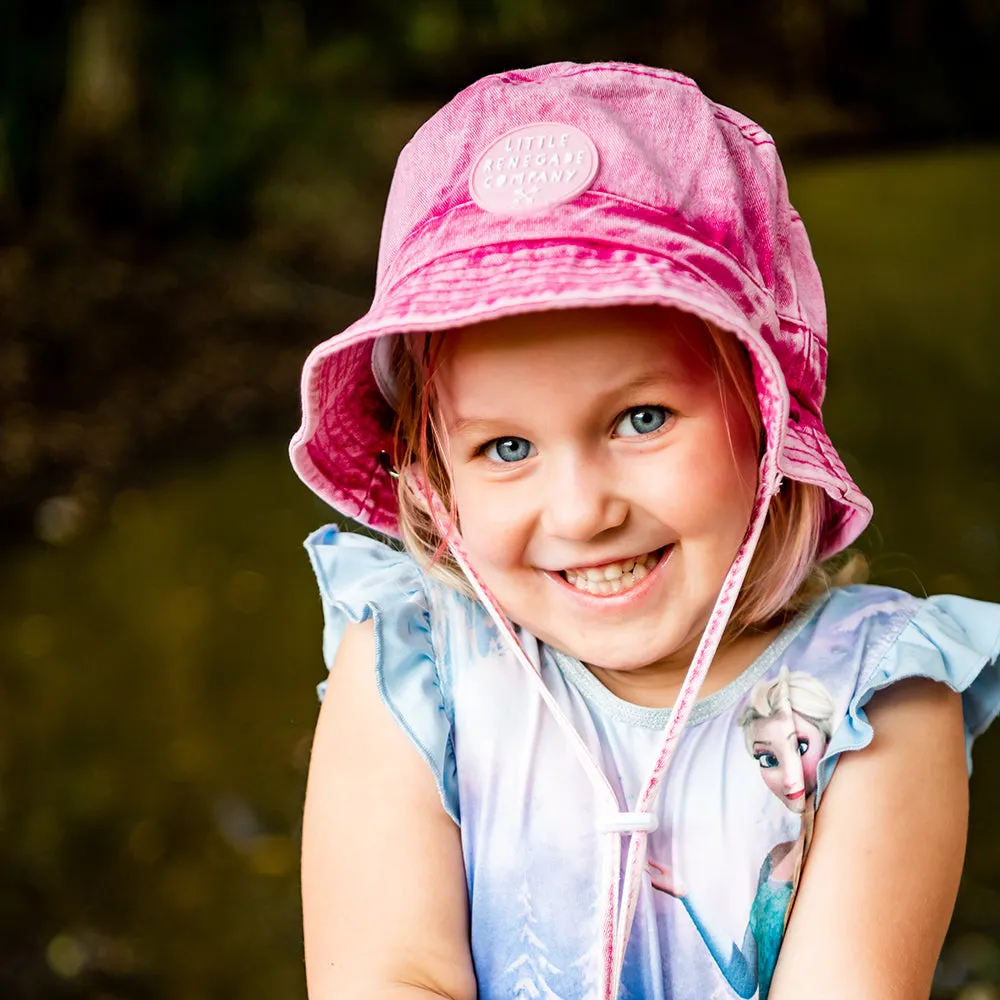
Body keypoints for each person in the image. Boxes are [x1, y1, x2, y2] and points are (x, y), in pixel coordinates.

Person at [288, 62, 1000, 999]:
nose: (583, 511)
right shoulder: (414, 676)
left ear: (766, 418)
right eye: (506, 446)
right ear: (435, 477)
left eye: (641, 419)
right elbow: (390, 976)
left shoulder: (879, 706)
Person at [647, 668, 836, 998]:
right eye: (769, 758)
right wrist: (686, 894)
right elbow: (746, 981)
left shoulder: (840, 847)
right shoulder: (775, 860)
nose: (790, 776)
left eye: (801, 747)